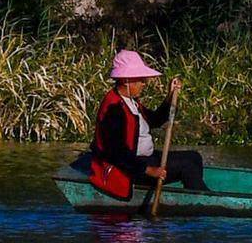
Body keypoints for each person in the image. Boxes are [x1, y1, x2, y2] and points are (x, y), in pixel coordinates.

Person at [83, 49, 203, 200]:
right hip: (129, 168)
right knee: (188, 166)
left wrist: (170, 97)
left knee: (194, 157)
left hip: (144, 160)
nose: (144, 83)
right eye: (140, 79)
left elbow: (155, 120)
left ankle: (193, 195)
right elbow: (117, 153)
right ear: (126, 80)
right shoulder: (114, 109)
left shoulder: (131, 101)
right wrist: (149, 170)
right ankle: (201, 203)